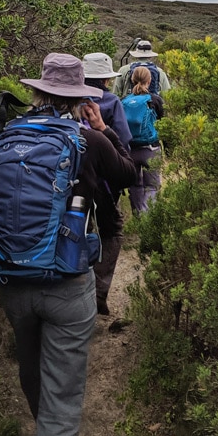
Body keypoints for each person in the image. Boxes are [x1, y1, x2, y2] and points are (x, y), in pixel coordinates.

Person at [0, 53, 136, 436]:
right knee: (63, 414)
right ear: (81, 98)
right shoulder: (88, 138)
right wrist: (106, 129)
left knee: (30, 369)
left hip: (12, 284)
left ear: (39, 92)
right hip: (67, 288)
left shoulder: (7, 138)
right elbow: (127, 175)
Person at [83, 52, 132, 316]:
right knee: (112, 231)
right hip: (103, 184)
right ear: (105, 79)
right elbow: (124, 139)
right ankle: (98, 292)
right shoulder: (111, 102)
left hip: (71, 182)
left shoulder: (70, 100)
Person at [125, 65, 165, 215]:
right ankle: (147, 215)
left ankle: (137, 216)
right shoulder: (155, 100)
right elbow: (164, 124)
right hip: (151, 149)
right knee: (152, 185)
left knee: (135, 185)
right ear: (149, 81)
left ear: (132, 80)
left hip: (131, 149)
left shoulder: (124, 101)